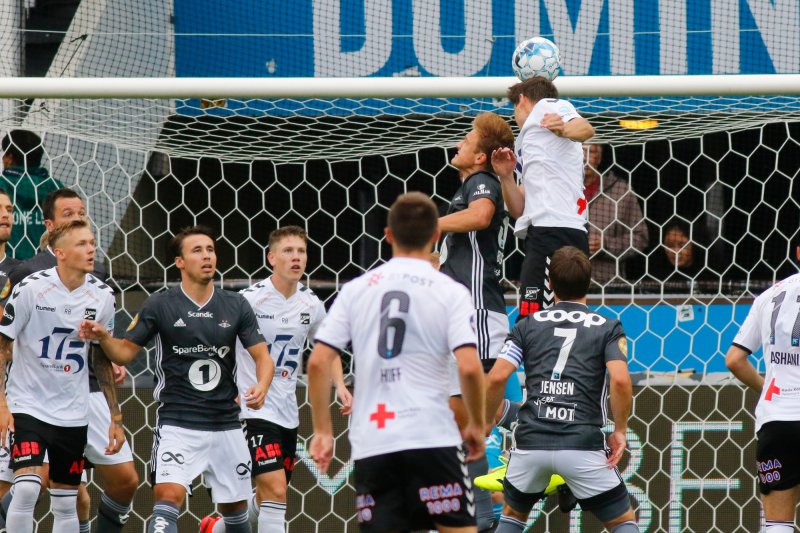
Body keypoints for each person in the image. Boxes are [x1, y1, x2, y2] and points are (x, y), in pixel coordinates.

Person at [308, 192, 486, 533]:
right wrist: (476, 425)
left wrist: (322, 431)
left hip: (375, 440)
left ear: (387, 235)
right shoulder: (450, 291)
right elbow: (468, 366)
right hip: (432, 437)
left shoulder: (356, 289)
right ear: (436, 234)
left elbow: (318, 363)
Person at [79, 225, 274, 533]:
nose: (207, 256)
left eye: (210, 249)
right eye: (197, 251)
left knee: (237, 511)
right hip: (178, 422)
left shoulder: (236, 305)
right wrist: (104, 336)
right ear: (179, 262)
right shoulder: (160, 304)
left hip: (226, 423)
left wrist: (262, 385)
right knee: (167, 496)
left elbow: (263, 357)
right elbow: (125, 354)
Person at [0, 187, 138, 533]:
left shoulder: (103, 295)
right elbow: (3, 345)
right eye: (82, 244)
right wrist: (2, 405)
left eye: (92, 242)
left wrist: (115, 417)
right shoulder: (31, 285)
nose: (91, 249)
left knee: (68, 497)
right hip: (28, 404)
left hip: (74, 408)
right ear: (59, 252)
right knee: (28, 486)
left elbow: (104, 359)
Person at [202, 226, 351, 533]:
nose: (296, 257)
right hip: (250, 408)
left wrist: (340, 385)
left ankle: (216, 530)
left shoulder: (311, 304)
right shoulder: (249, 300)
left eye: (301, 251)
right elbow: (219, 345)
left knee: (269, 495)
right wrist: (224, 389)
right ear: (271, 257)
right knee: (277, 490)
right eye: (288, 251)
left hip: (286, 411)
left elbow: (328, 350)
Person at [485, 246, 640, 533]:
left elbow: (496, 378)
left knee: (511, 516)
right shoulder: (608, 327)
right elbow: (620, 380)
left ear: (550, 285)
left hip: (532, 442)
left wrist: (485, 421)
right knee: (622, 522)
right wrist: (620, 430)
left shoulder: (526, 326)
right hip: (582, 442)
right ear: (589, 283)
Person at [438, 111, 514, 531]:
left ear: (481, 155)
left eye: (465, 141)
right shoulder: (462, 190)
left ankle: (524, 417)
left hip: (478, 312)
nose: (457, 146)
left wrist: (429, 224)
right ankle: (483, 515)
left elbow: (482, 215)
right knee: (459, 414)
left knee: (476, 413)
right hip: (461, 313)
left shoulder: (479, 183)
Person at [491, 77, 595, 317]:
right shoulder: (530, 143)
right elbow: (518, 209)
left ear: (521, 100)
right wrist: (506, 177)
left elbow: (586, 128)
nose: (514, 117)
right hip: (542, 232)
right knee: (546, 318)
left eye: (513, 109)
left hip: (557, 230)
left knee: (534, 320)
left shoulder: (547, 107)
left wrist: (564, 128)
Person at [725, 245, 800, 533]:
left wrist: (767, 386)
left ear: (796, 252)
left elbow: (734, 359)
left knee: (778, 523)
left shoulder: (769, 296)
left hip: (777, 420)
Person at [583, 144, 648, 285]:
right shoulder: (561, 188)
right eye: (580, 151)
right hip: (565, 281)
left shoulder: (621, 191)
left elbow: (640, 238)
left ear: (599, 157)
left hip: (606, 283)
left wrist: (605, 245)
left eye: (591, 151)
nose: (584, 157)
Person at [0, 130, 64, 260]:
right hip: (45, 266)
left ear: (9, 158)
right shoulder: (55, 188)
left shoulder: (2, 183)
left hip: (7, 266)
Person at [647, 218, 716, 285]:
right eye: (670, 245)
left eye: (682, 245)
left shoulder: (711, 274)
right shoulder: (657, 275)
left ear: (696, 244)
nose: (675, 252)